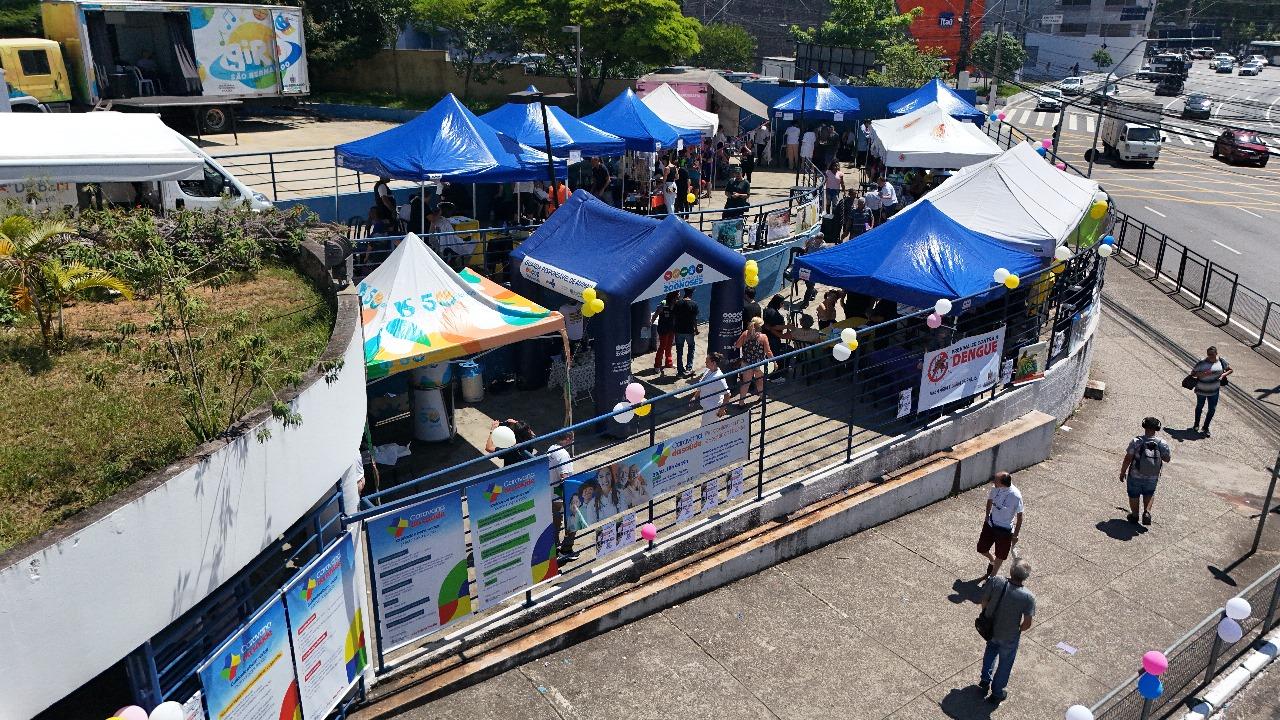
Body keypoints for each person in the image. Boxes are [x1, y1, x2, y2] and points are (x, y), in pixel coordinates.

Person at [977, 559, 1036, 704]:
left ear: (1011, 571)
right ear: (1026, 577)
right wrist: (1018, 630)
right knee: (1005, 663)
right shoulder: (1028, 597)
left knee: (990, 650)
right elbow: (1027, 623)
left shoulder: (996, 581)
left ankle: (985, 679)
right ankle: (997, 692)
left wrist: (986, 615)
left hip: (991, 628)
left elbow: (984, 601)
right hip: (1009, 635)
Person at [1120, 417, 1172, 525]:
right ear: (1157, 428)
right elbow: (1167, 459)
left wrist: (1122, 472)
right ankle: (1147, 512)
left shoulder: (1136, 441)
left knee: (1133, 494)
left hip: (1135, 475)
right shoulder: (1162, 443)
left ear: (1144, 426)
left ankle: (1135, 515)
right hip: (1152, 476)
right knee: (1149, 493)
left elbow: (1128, 458)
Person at [977, 471, 1023, 580]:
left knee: (1001, 555)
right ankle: (992, 560)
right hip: (990, 524)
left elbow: (1020, 516)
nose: (993, 481)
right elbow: (989, 500)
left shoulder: (1016, 496)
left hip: (1005, 529)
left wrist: (1015, 535)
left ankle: (992, 577)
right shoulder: (995, 488)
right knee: (981, 548)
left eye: (996, 480)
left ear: (1003, 483)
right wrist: (987, 515)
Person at [547, 430, 579, 561]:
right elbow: (564, 478)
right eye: (572, 439)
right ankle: (566, 550)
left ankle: (554, 550)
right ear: (568, 439)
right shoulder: (563, 454)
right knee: (574, 520)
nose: (573, 442)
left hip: (551, 493)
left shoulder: (551, 449)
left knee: (555, 524)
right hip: (561, 495)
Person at [1191, 346, 1232, 436]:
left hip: (1214, 391)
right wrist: (1203, 374)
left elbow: (1230, 370)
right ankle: (1196, 424)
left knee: (1212, 409)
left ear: (1216, 353)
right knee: (1199, 407)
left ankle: (1205, 427)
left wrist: (1223, 375)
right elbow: (1193, 374)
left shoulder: (1221, 361)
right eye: (1208, 354)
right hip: (1201, 390)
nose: (1210, 356)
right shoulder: (1202, 363)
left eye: (1212, 354)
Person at [733, 317, 773, 404]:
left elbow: (738, 345)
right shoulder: (763, 337)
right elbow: (768, 352)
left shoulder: (745, 334)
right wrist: (774, 362)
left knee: (746, 383)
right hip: (759, 363)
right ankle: (762, 397)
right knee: (760, 381)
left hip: (746, 363)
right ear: (760, 326)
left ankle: (741, 403)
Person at [689, 352, 731, 426]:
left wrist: (721, 409)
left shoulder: (719, 378)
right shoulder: (708, 371)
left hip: (713, 409)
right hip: (707, 407)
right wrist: (695, 397)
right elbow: (701, 386)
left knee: (705, 428)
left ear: (713, 363)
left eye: (707, 361)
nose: (705, 362)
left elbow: (727, 395)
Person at [673, 288, 700, 376]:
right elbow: (695, 319)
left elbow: (674, 318)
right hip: (689, 331)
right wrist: (696, 329)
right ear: (691, 293)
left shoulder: (677, 303)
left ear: (684, 292)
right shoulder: (694, 304)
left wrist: (674, 328)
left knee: (679, 351)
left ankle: (680, 371)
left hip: (679, 330)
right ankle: (688, 368)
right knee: (691, 348)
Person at [652, 291, 677, 375]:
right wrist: (651, 323)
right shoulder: (663, 303)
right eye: (677, 294)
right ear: (673, 296)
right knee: (662, 347)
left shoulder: (676, 303)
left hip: (672, 328)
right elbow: (656, 314)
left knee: (669, 346)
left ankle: (668, 363)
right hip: (663, 328)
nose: (679, 296)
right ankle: (657, 365)